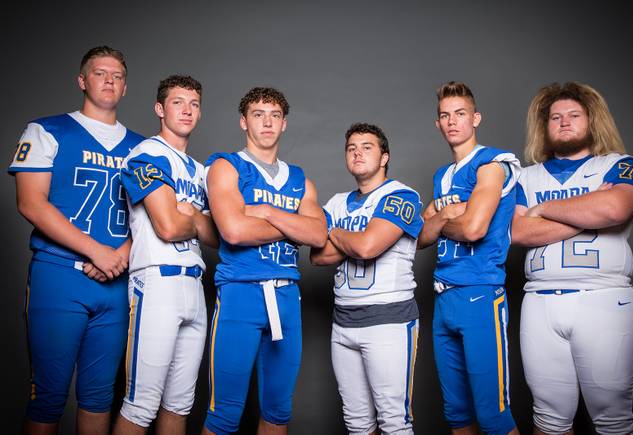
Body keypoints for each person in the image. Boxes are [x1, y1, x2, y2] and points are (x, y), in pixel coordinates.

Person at [8, 46, 143, 434]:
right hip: (59, 277)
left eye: (117, 75)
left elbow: (152, 219)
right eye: (100, 73)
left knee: (101, 395)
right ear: (83, 81)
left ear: (125, 86)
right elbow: (30, 203)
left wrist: (118, 256)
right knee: (48, 396)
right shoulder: (46, 130)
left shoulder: (142, 147)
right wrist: (96, 251)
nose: (109, 81)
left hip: (117, 283)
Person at [511, 82, 633, 435]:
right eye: (555, 117)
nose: (564, 122)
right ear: (545, 126)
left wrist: (543, 209)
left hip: (602, 297)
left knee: (613, 418)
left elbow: (615, 207)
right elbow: (519, 233)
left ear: (591, 120)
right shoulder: (525, 176)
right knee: (549, 418)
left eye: (573, 115)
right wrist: (587, 211)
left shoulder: (622, 165)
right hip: (539, 301)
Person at [202, 87, 327, 435]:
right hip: (241, 294)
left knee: (278, 411)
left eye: (274, 115)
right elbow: (234, 231)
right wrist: (293, 225)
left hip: (287, 298)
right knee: (224, 413)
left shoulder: (301, 179)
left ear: (284, 124)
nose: (267, 122)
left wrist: (269, 212)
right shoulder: (226, 166)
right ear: (244, 121)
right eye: (258, 114)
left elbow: (318, 237)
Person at [113, 75, 218, 434]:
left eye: (194, 104)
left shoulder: (201, 171)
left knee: (180, 404)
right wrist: (193, 216)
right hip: (156, 282)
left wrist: (187, 212)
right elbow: (169, 227)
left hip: (194, 285)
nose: (187, 110)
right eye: (178, 102)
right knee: (141, 404)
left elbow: (217, 237)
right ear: (160, 109)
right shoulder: (146, 154)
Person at [417, 82, 521, 435]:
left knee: (493, 415)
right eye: (445, 115)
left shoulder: (491, 165)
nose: (452, 122)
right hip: (444, 298)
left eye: (460, 114)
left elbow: (475, 228)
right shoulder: (441, 176)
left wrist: (440, 216)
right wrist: (448, 215)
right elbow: (421, 237)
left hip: (480, 292)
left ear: (475, 118)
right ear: (438, 124)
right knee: (456, 414)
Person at [310, 123, 423, 435]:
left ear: (384, 156)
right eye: (351, 148)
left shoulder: (401, 195)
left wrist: (334, 233)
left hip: (388, 320)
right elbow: (317, 257)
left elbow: (367, 246)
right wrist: (356, 241)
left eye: (367, 147)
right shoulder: (335, 202)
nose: (357, 152)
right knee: (357, 423)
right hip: (343, 323)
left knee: (394, 422)